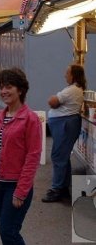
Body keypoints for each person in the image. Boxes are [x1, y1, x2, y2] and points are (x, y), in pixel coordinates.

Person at [0, 68, 42, 245]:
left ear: (20, 90)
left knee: (8, 231)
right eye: (1, 87)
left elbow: (33, 157)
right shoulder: (0, 116)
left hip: (14, 185)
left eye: (8, 87)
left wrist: (21, 191)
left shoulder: (30, 119)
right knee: (4, 229)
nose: (3, 91)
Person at [42, 64, 86, 203]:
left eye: (67, 73)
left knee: (58, 156)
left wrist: (53, 98)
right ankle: (62, 187)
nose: (65, 75)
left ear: (73, 75)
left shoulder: (72, 90)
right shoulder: (74, 89)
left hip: (65, 125)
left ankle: (57, 189)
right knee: (62, 156)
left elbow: (53, 101)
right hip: (65, 124)